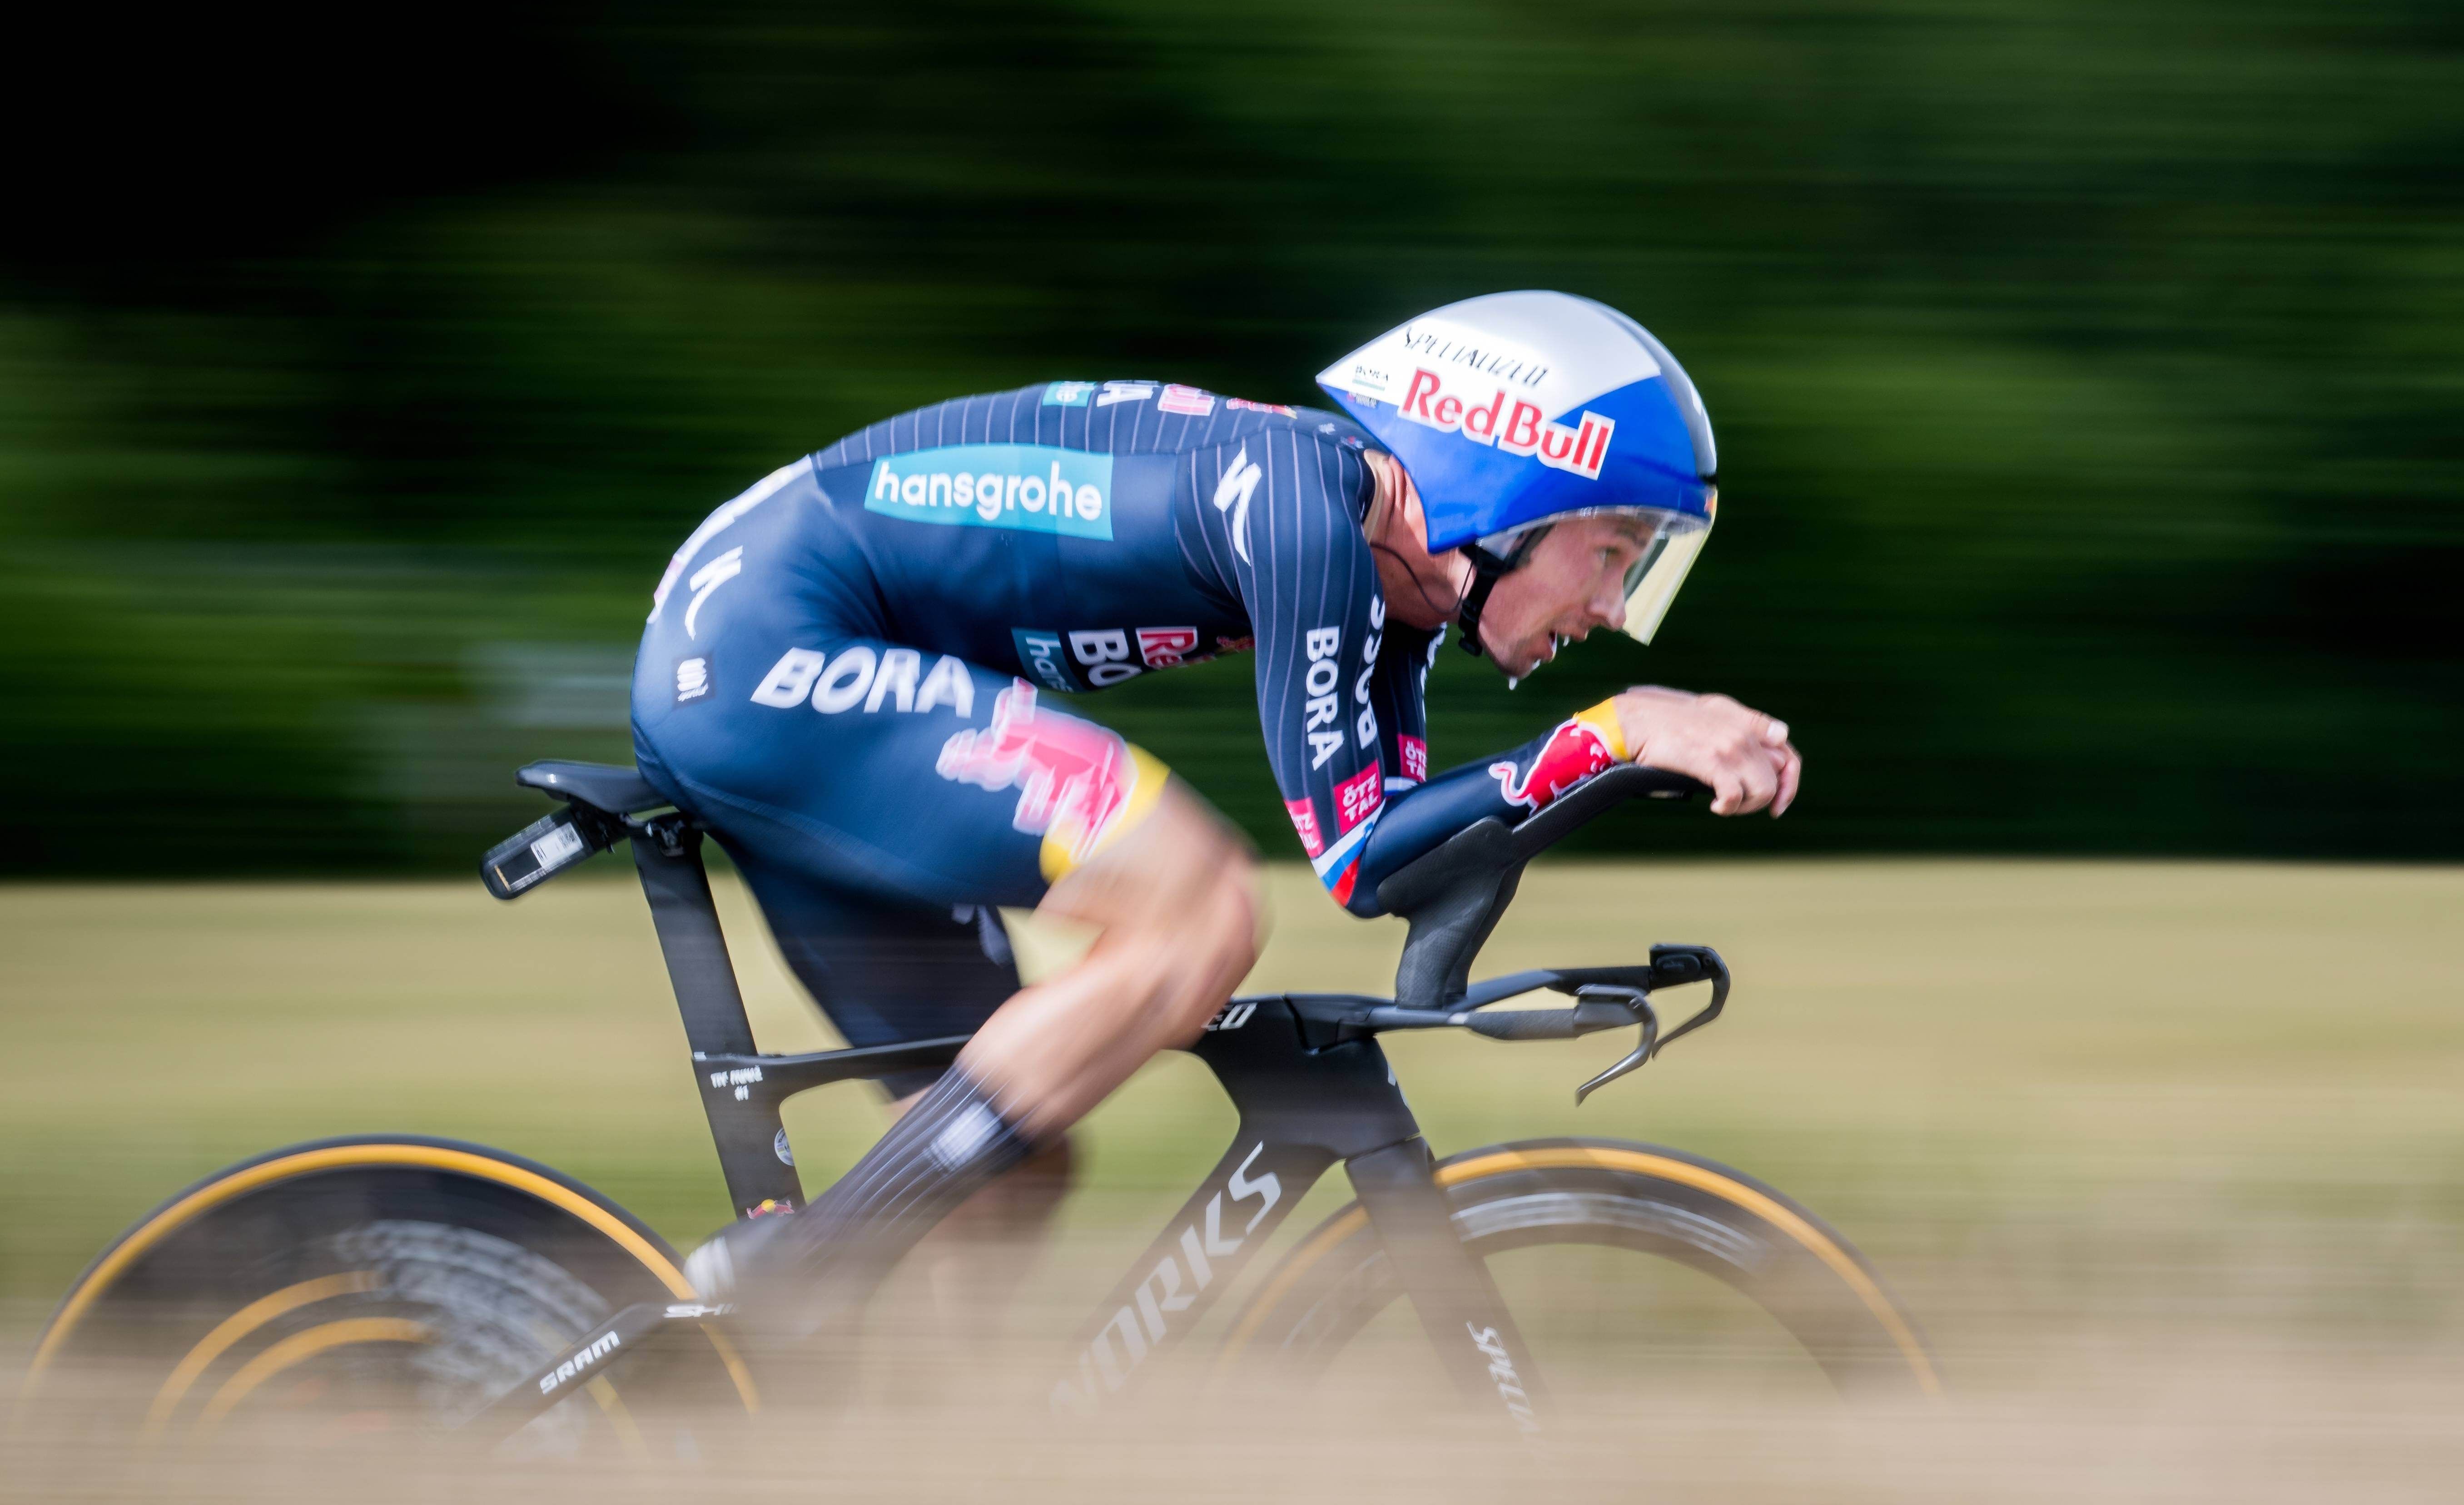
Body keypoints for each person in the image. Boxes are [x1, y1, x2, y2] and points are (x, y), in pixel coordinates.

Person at [628, 291, 1800, 1327]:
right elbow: (1349, 856)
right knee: (1201, 907)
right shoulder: (1306, 512)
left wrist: (1609, 761)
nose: (1611, 604)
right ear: (1510, 497)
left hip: (789, 653)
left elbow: (1398, 862)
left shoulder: (1397, 591)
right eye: (1609, 552)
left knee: (1006, 1173)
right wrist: (1615, 729)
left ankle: (894, 1480)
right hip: (765, 643)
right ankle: (806, 1273)